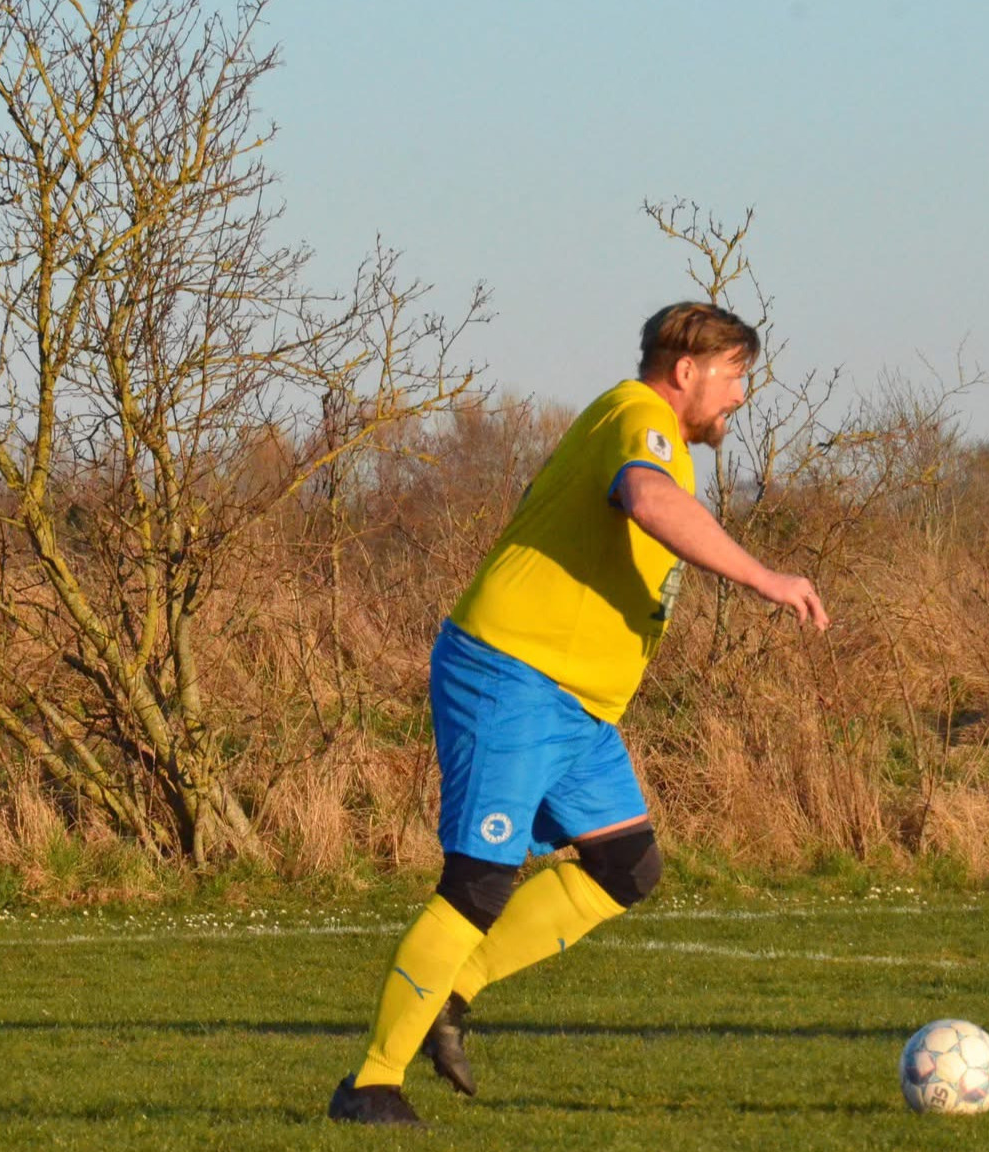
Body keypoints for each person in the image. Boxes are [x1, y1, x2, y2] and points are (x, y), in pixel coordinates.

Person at [329, 302, 830, 1126]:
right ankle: (372, 1086)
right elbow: (645, 498)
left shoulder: (654, 435)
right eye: (735, 375)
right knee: (478, 880)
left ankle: (453, 989)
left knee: (624, 866)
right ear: (685, 371)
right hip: (513, 674)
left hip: (575, 704)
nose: (741, 394)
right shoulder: (639, 418)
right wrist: (766, 579)